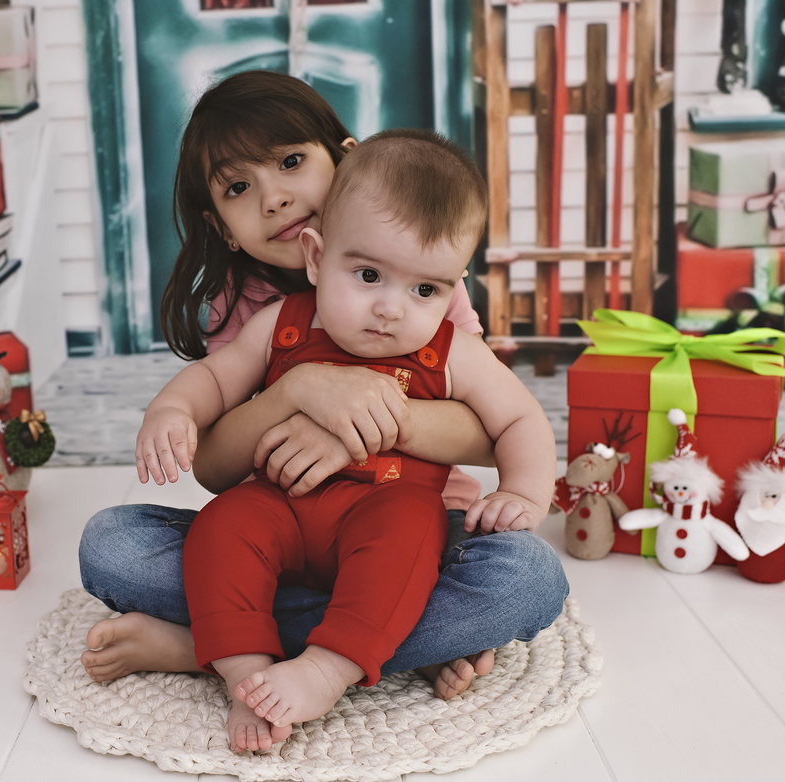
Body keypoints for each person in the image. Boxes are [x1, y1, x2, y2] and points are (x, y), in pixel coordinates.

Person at [77, 70, 567, 725]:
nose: (274, 197)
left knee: (529, 576)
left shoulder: (427, 293)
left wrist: (515, 490)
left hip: (410, 532)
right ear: (222, 226)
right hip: (275, 532)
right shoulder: (259, 318)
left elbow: (497, 424)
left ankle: (213, 644)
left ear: (343, 156)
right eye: (239, 187)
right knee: (112, 544)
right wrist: (281, 394)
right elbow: (216, 465)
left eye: (290, 161)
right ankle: (392, 638)